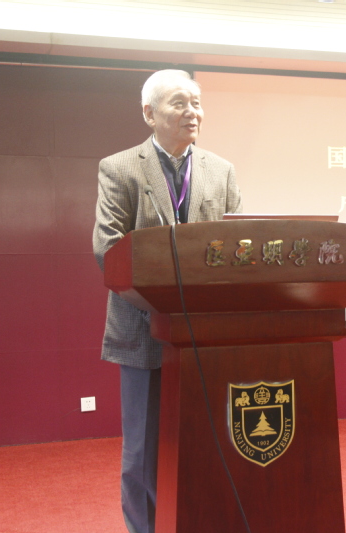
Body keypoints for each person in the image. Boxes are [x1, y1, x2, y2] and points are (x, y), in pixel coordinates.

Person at [92, 69, 242, 533]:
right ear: (149, 113)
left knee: (203, 442)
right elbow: (108, 250)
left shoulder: (221, 170)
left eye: (196, 102)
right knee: (143, 451)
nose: (192, 112)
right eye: (180, 102)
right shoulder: (120, 168)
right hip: (143, 330)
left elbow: (240, 247)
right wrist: (163, 304)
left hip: (207, 335)